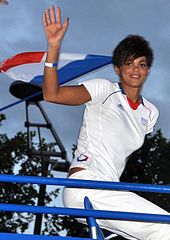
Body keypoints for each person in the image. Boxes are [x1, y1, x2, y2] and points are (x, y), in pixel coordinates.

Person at [42, 5, 170, 240]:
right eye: (129, 64)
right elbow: (52, 95)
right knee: (165, 227)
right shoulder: (104, 89)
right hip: (86, 186)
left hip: (110, 191)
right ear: (118, 69)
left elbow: (120, 154)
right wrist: (53, 48)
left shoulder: (149, 112)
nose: (135, 69)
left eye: (141, 64)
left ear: (148, 70)